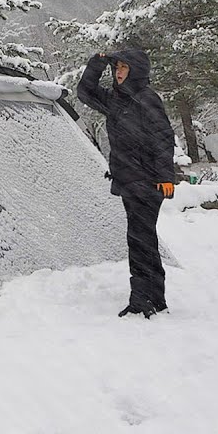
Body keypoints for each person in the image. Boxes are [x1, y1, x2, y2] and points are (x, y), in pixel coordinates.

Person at [77, 49, 177, 319]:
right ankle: (154, 298)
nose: (119, 72)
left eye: (124, 67)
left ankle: (143, 300)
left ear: (137, 70)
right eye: (117, 67)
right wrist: (96, 64)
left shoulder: (146, 99)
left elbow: (163, 138)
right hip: (129, 181)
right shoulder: (117, 100)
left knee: (140, 241)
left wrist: (166, 177)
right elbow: (85, 92)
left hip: (148, 182)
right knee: (144, 241)